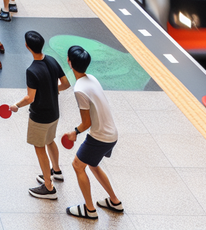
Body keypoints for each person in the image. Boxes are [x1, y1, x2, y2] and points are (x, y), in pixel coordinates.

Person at [7, 31, 71, 200]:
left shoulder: (32, 70)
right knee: (50, 141)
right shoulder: (51, 60)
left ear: (27, 47)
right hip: (54, 113)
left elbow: (30, 98)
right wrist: (52, 90)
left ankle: (49, 187)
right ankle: (56, 171)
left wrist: (16, 106)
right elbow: (66, 84)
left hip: (40, 116)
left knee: (39, 147)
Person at [64, 46, 123, 219]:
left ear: (69, 62)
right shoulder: (92, 79)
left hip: (100, 137)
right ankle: (114, 201)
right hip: (112, 134)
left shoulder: (79, 89)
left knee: (77, 165)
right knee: (93, 164)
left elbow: (86, 123)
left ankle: (90, 210)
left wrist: (74, 132)